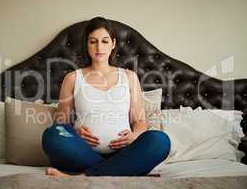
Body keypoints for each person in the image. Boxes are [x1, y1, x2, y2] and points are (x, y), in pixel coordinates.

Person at [42, 17, 171, 177]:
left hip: (124, 152)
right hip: (82, 153)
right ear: (86, 44)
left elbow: (140, 122)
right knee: (53, 134)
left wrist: (134, 135)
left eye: (104, 41)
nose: (99, 47)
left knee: (160, 141)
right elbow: (62, 122)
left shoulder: (129, 77)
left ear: (113, 43)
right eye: (93, 41)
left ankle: (85, 175)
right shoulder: (73, 78)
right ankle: (121, 170)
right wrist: (75, 131)